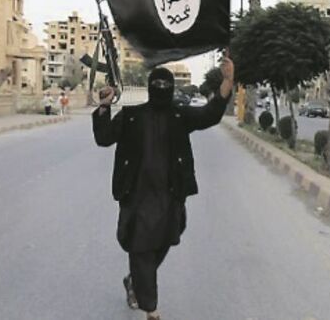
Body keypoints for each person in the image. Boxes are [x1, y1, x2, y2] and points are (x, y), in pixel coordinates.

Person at [92, 52, 234, 320]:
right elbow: (104, 137)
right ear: (149, 87)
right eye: (156, 84)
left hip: (170, 196)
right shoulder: (132, 115)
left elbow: (210, 114)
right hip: (137, 196)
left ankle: (135, 280)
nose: (161, 88)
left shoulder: (180, 115)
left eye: (165, 85)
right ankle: (151, 309)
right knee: (141, 249)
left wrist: (227, 82)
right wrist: (104, 107)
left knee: (165, 239)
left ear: (171, 88)